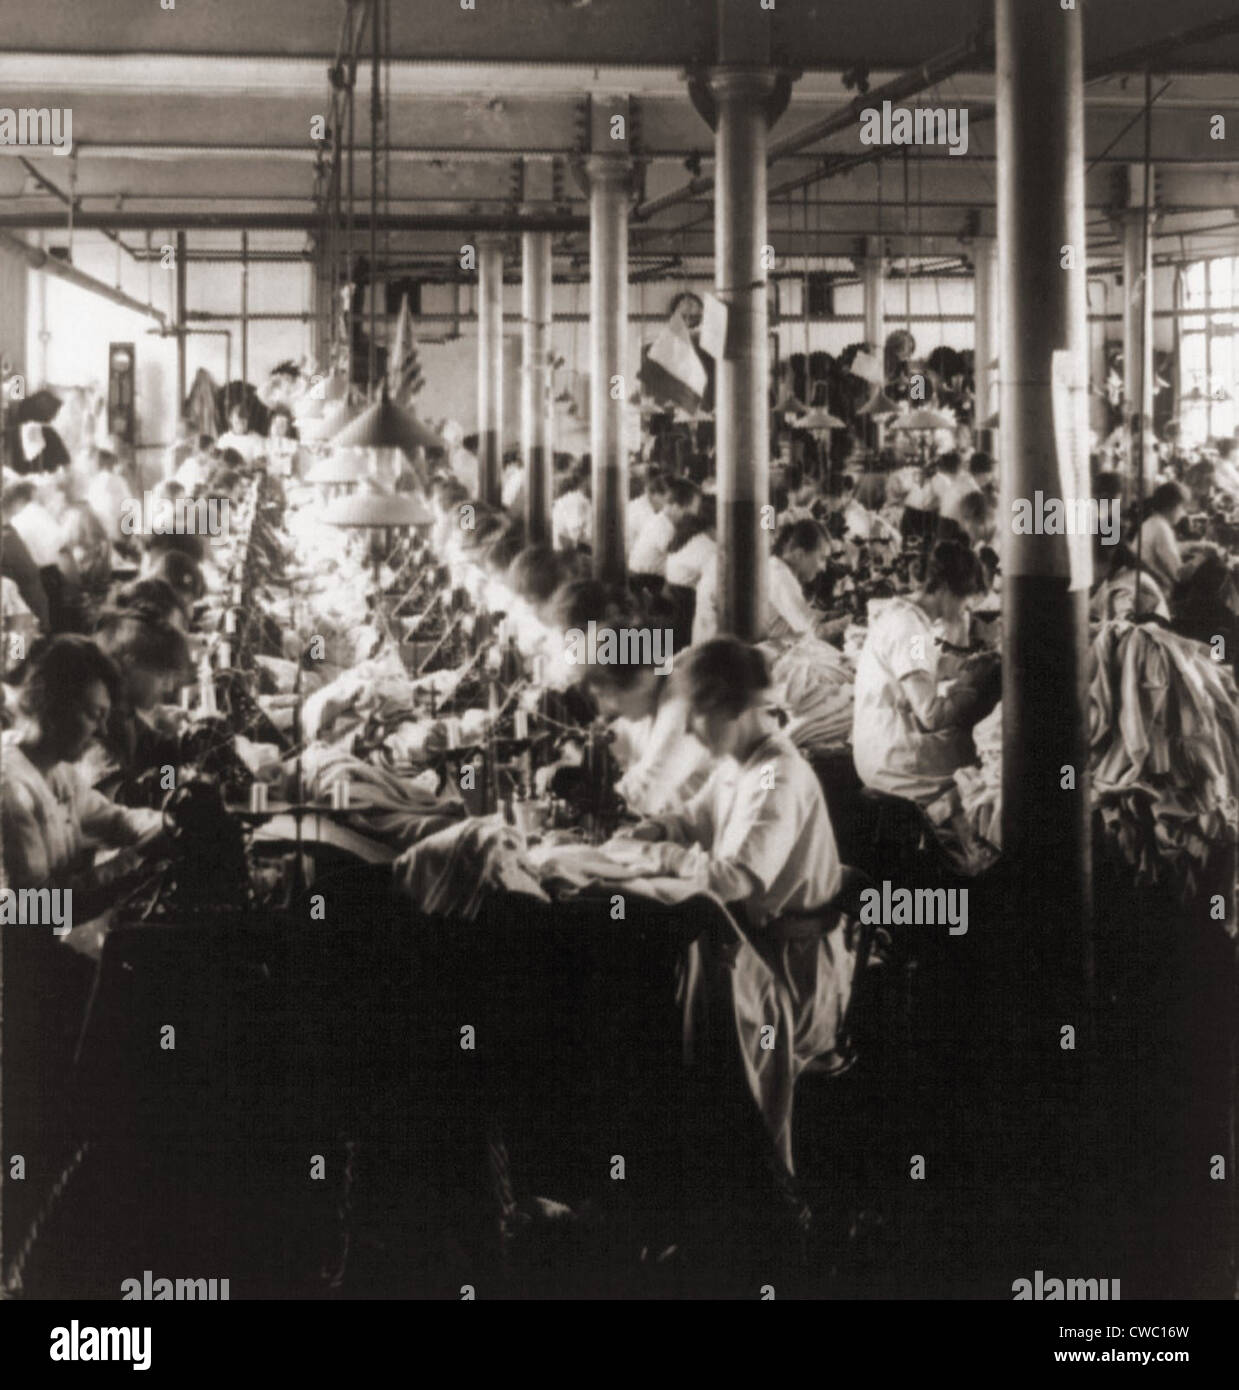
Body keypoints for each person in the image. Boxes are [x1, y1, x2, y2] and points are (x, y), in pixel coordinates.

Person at [616, 637, 842, 925]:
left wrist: (658, 855)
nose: (686, 729)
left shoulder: (775, 775)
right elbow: (692, 820)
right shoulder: (736, 765)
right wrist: (657, 829)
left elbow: (733, 881)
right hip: (753, 939)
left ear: (733, 708)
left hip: (785, 957)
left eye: (695, 714)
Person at [1, 636, 163, 897]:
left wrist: (167, 823)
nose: (102, 730)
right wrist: (133, 861)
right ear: (52, 704)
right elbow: (32, 912)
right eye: (93, 716)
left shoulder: (56, 769)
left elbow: (114, 819)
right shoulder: (11, 791)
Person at [852, 540, 995, 805]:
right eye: (964, 601)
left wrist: (959, 664)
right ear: (945, 590)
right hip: (889, 757)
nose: (965, 610)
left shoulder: (906, 614)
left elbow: (920, 661)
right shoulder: (910, 629)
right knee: (985, 762)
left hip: (877, 742)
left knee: (975, 750)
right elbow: (931, 715)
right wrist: (969, 690)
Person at [90, 611, 191, 801]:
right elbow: (114, 799)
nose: (169, 687)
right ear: (129, 667)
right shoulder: (98, 723)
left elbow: (163, 754)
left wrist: (167, 784)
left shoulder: (126, 714)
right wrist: (166, 794)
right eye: (162, 676)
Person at [1137, 481, 1187, 597]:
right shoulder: (1162, 528)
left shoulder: (1151, 522)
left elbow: (1171, 550)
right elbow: (1178, 573)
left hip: (1146, 585)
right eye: (1182, 507)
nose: (1183, 513)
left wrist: (1196, 546)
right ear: (1171, 506)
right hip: (1156, 593)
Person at [551, 462, 593, 551]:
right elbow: (576, 540)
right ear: (585, 478)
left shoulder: (581, 500)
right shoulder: (576, 502)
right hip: (566, 558)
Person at [626, 470, 669, 555]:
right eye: (667, 500)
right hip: (631, 562)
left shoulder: (641, 504)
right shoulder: (642, 512)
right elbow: (663, 544)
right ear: (656, 495)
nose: (667, 505)